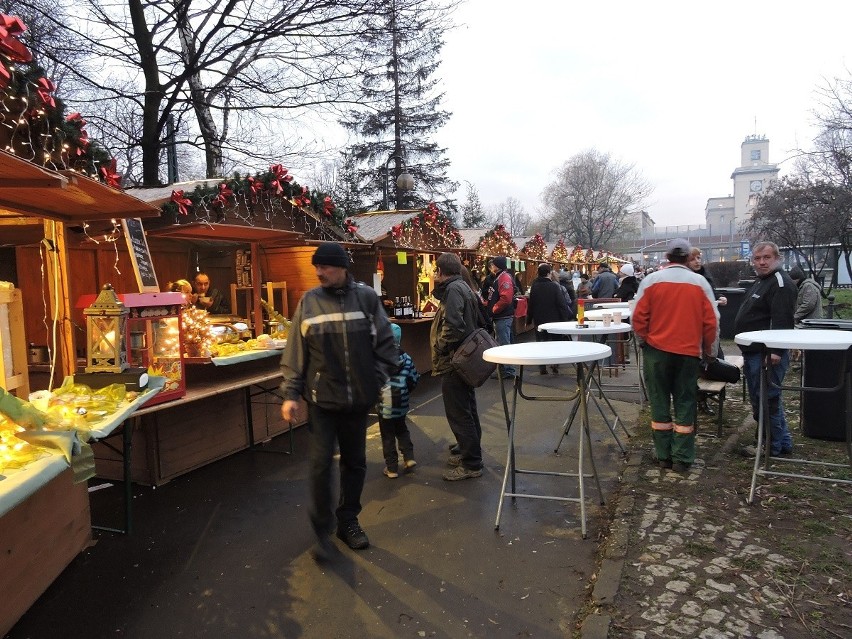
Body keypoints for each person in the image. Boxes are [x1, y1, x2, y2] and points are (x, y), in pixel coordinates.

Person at [279, 242, 397, 557]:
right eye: (316, 266)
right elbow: (296, 352)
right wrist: (291, 393)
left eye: (326, 267)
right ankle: (321, 531)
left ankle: (348, 522)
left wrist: (374, 382)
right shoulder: (309, 302)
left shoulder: (368, 299)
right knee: (319, 466)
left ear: (343, 267)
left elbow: (386, 346)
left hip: (358, 401)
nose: (319, 272)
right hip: (322, 401)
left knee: (355, 463)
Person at [632, 238, 719, 474]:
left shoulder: (651, 281)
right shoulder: (699, 283)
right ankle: (682, 457)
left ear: (668, 257)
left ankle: (663, 455)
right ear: (687, 257)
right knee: (685, 401)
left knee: (659, 401)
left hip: (657, 352)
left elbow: (638, 317)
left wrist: (643, 341)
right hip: (688, 353)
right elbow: (711, 322)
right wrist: (709, 352)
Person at [734, 241, 797, 458]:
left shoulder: (780, 284)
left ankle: (769, 446)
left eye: (766, 258)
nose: (761, 262)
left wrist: (776, 352)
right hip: (755, 352)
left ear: (777, 258)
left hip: (766, 354)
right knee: (767, 398)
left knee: (766, 400)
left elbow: (783, 320)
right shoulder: (764, 281)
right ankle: (782, 442)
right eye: (757, 258)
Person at [430, 252, 484, 481]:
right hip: (464, 359)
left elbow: (453, 326)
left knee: (459, 413)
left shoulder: (453, 290)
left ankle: (471, 463)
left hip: (454, 360)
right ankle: (468, 452)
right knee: (467, 409)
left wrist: (442, 347)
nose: (434, 274)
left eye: (435, 270)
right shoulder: (463, 287)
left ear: (441, 271)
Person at [377, 323, 420, 478]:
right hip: (401, 402)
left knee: (387, 435)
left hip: (384, 404)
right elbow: (414, 378)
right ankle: (408, 458)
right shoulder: (406, 358)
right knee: (401, 429)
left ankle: (392, 468)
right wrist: (407, 390)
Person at [526, 263, 571, 375]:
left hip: (539, 319)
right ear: (548, 273)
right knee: (555, 342)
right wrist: (565, 319)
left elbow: (531, 304)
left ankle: (542, 366)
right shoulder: (554, 286)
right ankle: (555, 363)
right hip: (554, 320)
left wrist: (529, 319)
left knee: (541, 342)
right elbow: (561, 304)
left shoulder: (534, 286)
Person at [485, 256, 516, 380]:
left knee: (503, 344)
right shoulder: (501, 277)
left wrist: (494, 308)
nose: (491, 266)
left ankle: (508, 370)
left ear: (496, 265)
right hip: (501, 316)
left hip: (502, 316)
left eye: (492, 264)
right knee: (501, 342)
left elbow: (506, 298)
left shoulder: (503, 278)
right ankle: (504, 369)